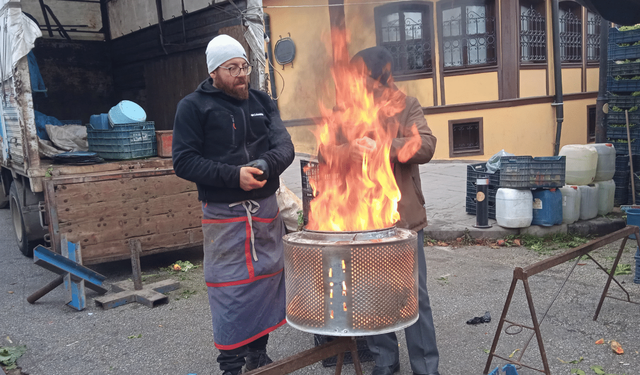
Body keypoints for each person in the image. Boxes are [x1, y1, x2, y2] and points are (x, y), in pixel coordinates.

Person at [172, 34, 295, 375]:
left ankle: (258, 354)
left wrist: (267, 166)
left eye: (244, 66)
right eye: (232, 68)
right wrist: (233, 176)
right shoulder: (193, 107)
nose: (241, 74)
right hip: (224, 218)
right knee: (230, 290)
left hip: (264, 212)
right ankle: (230, 365)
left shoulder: (262, 101)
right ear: (214, 71)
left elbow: (285, 146)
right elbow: (184, 162)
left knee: (267, 282)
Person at [349, 47, 440, 375]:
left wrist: (384, 148)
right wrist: (351, 149)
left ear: (378, 77)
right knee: (373, 293)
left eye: (359, 76)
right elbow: (325, 149)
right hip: (362, 221)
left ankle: (426, 366)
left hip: (403, 220)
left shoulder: (406, 104)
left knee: (414, 296)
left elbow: (426, 145)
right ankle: (386, 359)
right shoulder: (349, 109)